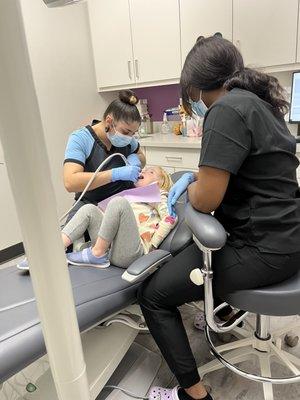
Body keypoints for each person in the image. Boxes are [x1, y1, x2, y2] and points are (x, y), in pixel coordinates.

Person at [138, 36, 300, 400]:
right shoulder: (263, 107)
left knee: (153, 295)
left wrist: (191, 187)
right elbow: (248, 177)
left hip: (261, 250)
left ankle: (195, 395)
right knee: (187, 267)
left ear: (195, 86)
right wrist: (199, 177)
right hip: (290, 241)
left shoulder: (224, 110)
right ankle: (225, 313)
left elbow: (208, 200)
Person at [19, 167, 176, 270]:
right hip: (112, 248)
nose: (145, 169)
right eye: (146, 168)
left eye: (151, 172)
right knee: (89, 209)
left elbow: (169, 218)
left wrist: (153, 246)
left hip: (132, 254)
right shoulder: (133, 196)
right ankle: (51, 252)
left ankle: (97, 253)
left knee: (118, 203)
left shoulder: (158, 194)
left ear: (160, 183)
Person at [63, 89, 146, 221]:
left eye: (133, 133)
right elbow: (70, 182)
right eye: (126, 132)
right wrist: (114, 174)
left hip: (125, 202)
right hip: (91, 205)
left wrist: (135, 159)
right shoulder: (81, 138)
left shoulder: (127, 139)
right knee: (71, 236)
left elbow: (141, 157)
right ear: (109, 121)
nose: (130, 138)